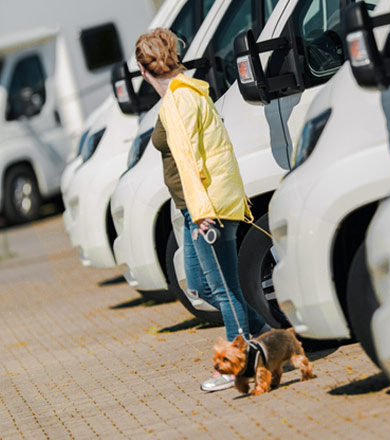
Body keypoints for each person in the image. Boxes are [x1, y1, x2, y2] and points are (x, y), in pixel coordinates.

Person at [135, 28, 270, 392]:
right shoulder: (187, 93)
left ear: (145, 71)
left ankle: (235, 366)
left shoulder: (178, 103)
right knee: (199, 285)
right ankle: (266, 335)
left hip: (205, 208)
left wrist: (200, 212)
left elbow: (189, 160)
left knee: (223, 290)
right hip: (195, 207)